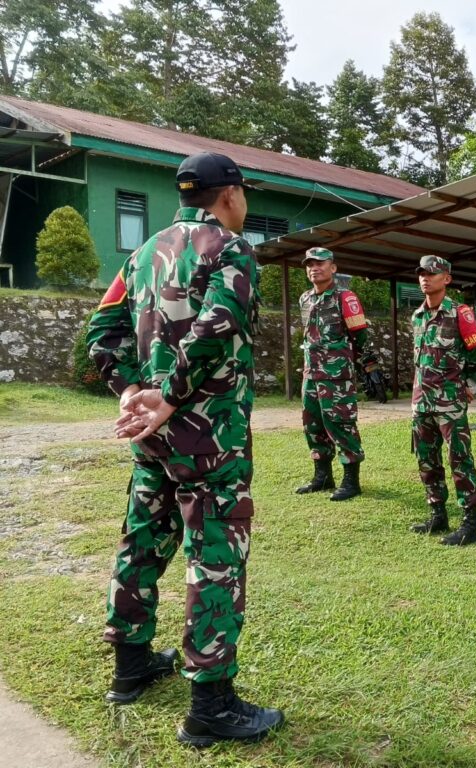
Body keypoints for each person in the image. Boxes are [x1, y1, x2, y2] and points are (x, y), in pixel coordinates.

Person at [87, 151, 283, 746]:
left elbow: (103, 332)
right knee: (216, 550)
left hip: (154, 435)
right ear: (231, 194)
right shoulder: (230, 248)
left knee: (143, 537)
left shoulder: (142, 254)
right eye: (245, 195)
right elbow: (218, 325)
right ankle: (211, 704)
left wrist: (130, 392)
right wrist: (169, 396)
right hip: (209, 435)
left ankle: (132, 665)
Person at [408, 255, 476, 545]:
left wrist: (462, 381)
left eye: (431, 273)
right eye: (421, 273)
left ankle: (470, 523)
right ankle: (437, 514)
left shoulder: (459, 313)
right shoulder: (417, 316)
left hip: (449, 402)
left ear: (447, 279)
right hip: (421, 401)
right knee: (426, 459)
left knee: (459, 459)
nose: (425, 278)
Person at [294, 247, 370, 501]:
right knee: (312, 425)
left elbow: (360, 335)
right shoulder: (305, 298)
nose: (314, 268)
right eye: (310, 264)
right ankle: (323, 476)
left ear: (333, 268)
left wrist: (360, 364)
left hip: (336, 376)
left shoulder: (345, 297)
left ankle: (351, 481)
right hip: (311, 374)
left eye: (320, 263)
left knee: (341, 424)